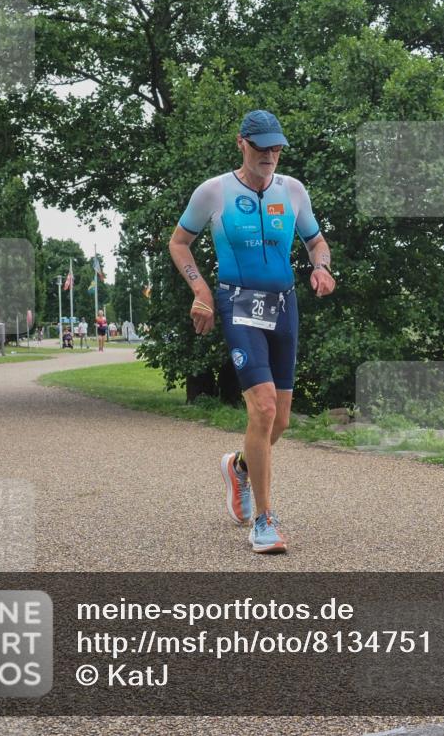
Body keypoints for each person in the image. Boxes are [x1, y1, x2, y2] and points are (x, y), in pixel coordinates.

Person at [168, 109, 335, 554]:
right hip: (239, 303)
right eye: (262, 147)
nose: (271, 155)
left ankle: (239, 466)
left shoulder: (293, 191)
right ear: (242, 142)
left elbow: (317, 241)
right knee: (261, 409)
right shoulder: (214, 192)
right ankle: (263, 520)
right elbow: (179, 241)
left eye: (277, 147)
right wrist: (200, 289)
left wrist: (320, 268)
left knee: (279, 419)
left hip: (284, 307)